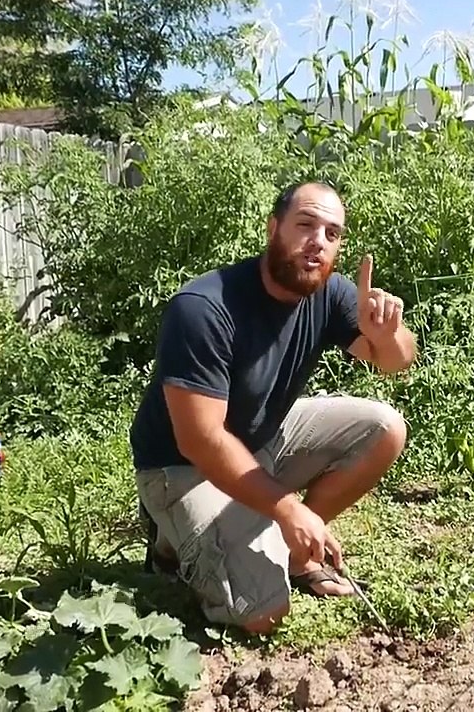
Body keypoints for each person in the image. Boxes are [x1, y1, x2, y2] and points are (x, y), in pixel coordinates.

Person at [128, 180, 416, 635]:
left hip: (261, 435)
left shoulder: (330, 293)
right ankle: (169, 541)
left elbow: (397, 361)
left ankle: (299, 556)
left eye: (332, 233)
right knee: (263, 613)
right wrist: (288, 510)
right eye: (306, 225)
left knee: (384, 427)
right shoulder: (203, 308)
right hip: (182, 468)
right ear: (273, 228)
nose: (318, 242)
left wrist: (385, 336)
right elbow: (201, 440)